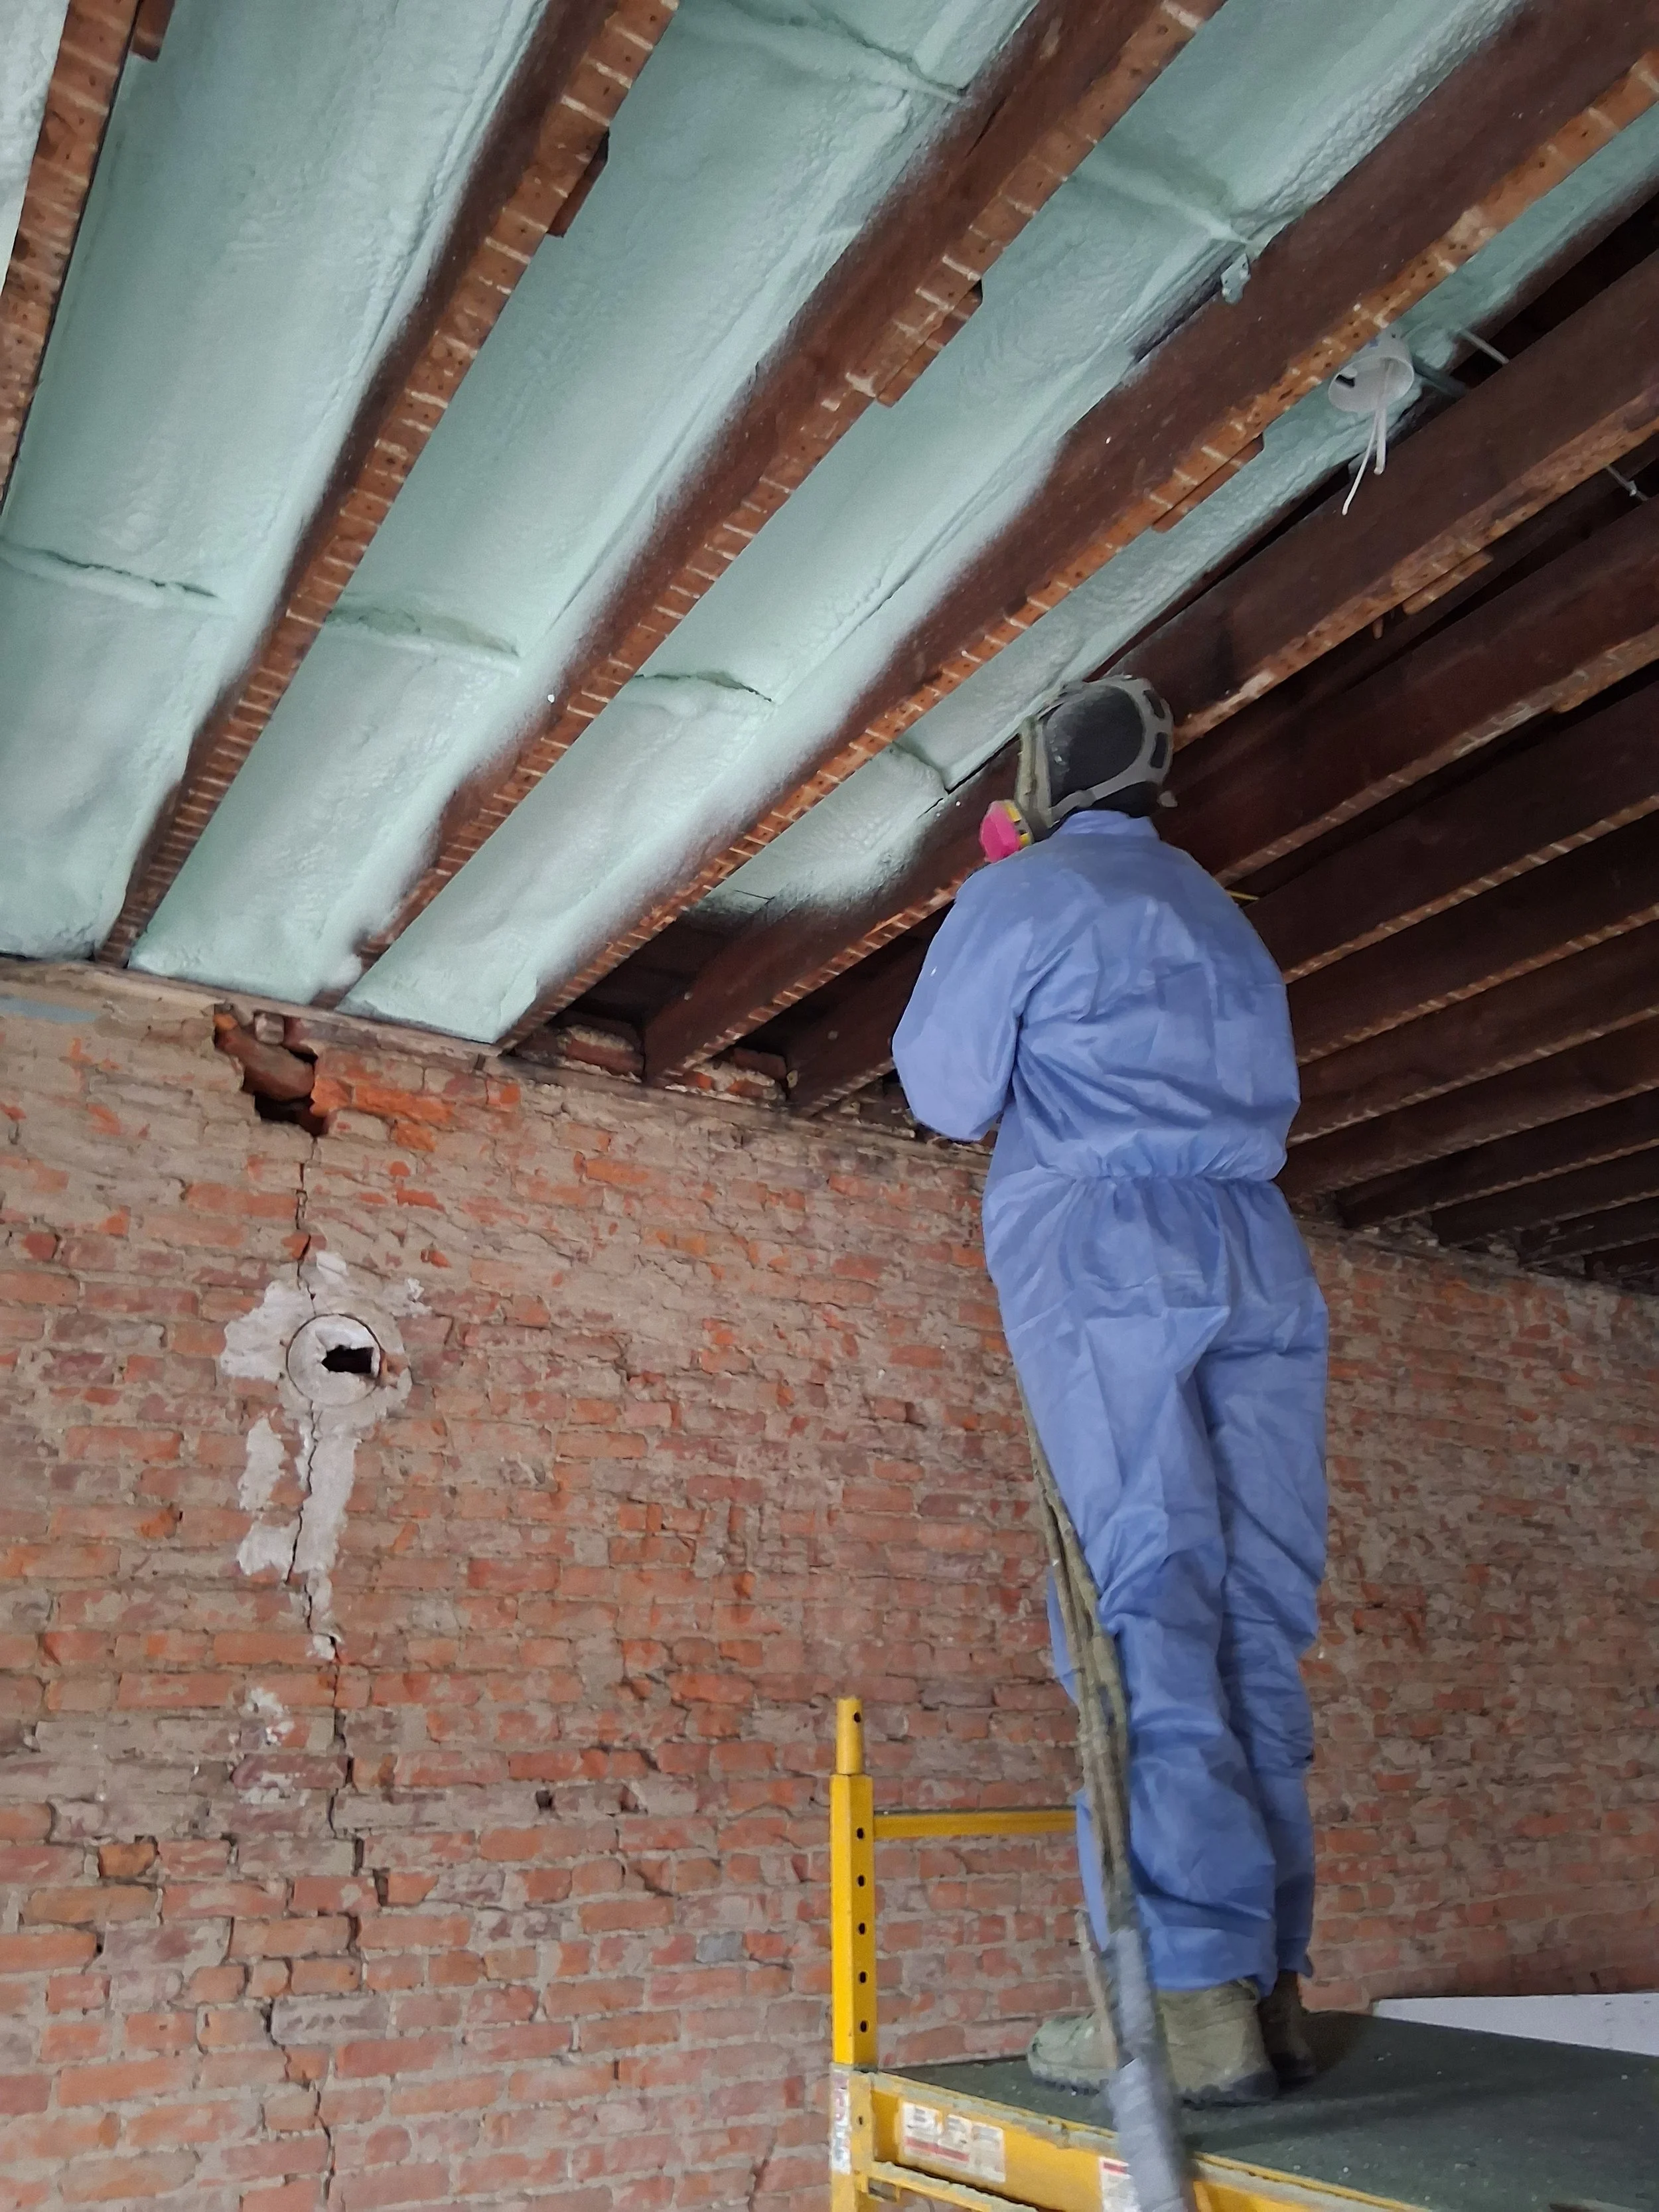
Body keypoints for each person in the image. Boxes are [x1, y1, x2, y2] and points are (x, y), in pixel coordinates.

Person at [891, 676, 1327, 2108]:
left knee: (1144, 1591)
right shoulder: (1222, 914)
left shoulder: (1026, 894)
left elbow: (946, 1093)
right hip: (1255, 1249)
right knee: (1255, 1608)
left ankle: (1185, 2000)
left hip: (1104, 1241)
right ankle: (1264, 1988)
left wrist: (997, 896)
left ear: (1040, 780)